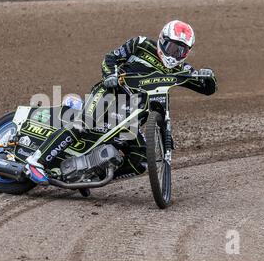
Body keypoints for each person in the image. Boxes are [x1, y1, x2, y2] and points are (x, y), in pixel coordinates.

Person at [25, 20, 218, 185]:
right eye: (172, 48)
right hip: (110, 94)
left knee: (140, 160)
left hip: (132, 117)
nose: (175, 54)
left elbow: (207, 88)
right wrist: (110, 75)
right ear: (162, 40)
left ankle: (89, 175)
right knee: (83, 123)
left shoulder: (181, 69)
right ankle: (35, 161)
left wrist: (209, 77)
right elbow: (111, 58)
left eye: (181, 51)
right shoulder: (140, 44)